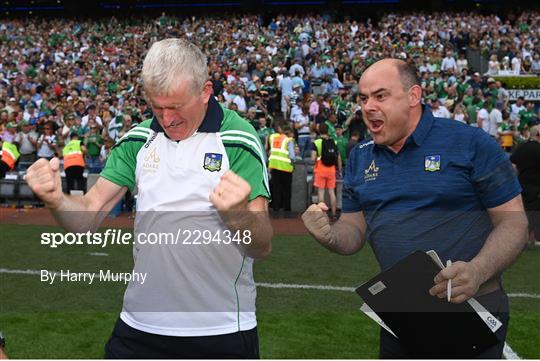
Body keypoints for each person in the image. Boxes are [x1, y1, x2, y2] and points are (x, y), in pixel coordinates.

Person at [26, 38, 273, 359]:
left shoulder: (238, 140)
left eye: (176, 107)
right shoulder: (139, 139)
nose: (167, 119)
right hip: (138, 326)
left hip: (219, 330)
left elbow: (262, 244)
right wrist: (56, 200)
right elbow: (87, 216)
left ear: (205, 91)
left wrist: (238, 214)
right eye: (157, 107)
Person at [302, 59, 528, 358]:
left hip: (472, 308)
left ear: (413, 96)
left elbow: (515, 224)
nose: (368, 106)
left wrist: (476, 271)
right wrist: (330, 234)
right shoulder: (359, 157)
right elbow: (354, 230)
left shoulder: (471, 143)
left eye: (380, 96)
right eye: (363, 98)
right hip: (400, 311)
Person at [510, 125, 540, 246]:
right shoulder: (538, 148)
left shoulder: (521, 146)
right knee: (536, 212)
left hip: (522, 184)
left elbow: (512, 163)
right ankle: (535, 238)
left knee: (525, 212)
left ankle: (526, 239)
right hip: (536, 185)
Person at [311, 122, 342, 221]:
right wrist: (339, 170)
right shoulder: (334, 142)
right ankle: (333, 214)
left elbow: (313, 158)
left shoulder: (316, 142)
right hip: (331, 169)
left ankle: (323, 215)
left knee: (321, 192)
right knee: (332, 192)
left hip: (320, 168)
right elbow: (339, 157)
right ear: (328, 130)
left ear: (319, 130)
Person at [268, 124, 295, 213]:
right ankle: (286, 208)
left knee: (276, 189)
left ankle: (276, 207)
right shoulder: (289, 140)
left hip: (274, 167)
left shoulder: (273, 138)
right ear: (290, 133)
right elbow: (292, 156)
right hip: (286, 168)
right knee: (286, 189)